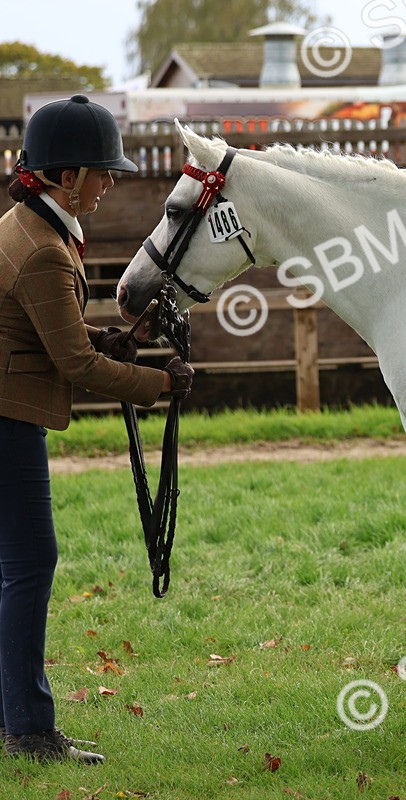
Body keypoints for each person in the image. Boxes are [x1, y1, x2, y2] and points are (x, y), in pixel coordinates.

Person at [0, 95, 195, 763]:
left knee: (13, 570)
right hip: (7, 420)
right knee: (31, 565)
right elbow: (73, 363)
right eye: (100, 171)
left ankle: (14, 721)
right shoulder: (45, 250)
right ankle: (28, 731)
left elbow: (45, 331)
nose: (110, 182)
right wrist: (159, 386)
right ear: (62, 176)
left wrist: (104, 337)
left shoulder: (26, 225)